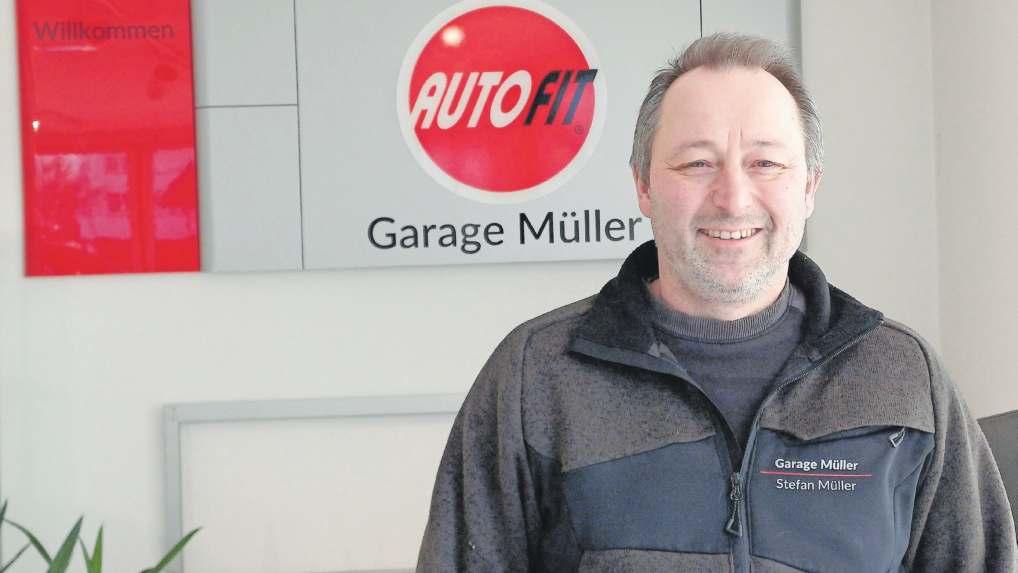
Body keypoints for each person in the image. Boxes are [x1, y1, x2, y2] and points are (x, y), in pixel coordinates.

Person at [416, 33, 1018, 572]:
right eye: (697, 163)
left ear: (809, 187)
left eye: (766, 163)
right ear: (643, 186)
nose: (732, 198)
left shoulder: (903, 378)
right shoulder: (535, 376)